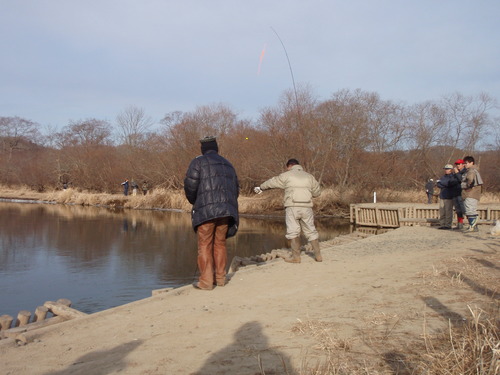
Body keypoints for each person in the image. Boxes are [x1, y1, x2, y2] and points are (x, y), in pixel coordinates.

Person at [184, 136, 239, 290]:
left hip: (205, 211)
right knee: (220, 244)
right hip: (226, 211)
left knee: (204, 245)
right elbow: (236, 189)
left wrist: (196, 201)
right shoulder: (228, 164)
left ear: (203, 149)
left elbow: (190, 186)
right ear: (216, 148)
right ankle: (220, 278)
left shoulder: (197, 162)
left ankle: (206, 282)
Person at [254, 159, 322, 263]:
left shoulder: (287, 175)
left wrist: (261, 188)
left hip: (292, 206)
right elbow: (317, 193)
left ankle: (296, 257)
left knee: (293, 232)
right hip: (307, 207)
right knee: (311, 231)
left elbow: (272, 182)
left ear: (289, 166)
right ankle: (318, 256)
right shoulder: (309, 177)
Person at [459, 156, 483, 232]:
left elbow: (470, 181)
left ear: (471, 163)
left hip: (470, 193)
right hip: (471, 193)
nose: (464, 164)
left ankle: (472, 226)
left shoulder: (471, 171)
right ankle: (473, 226)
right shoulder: (471, 170)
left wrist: (464, 185)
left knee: (470, 209)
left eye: (466, 163)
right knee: (470, 209)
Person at [436, 164, 460, 230]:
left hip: (449, 196)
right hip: (442, 196)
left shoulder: (453, 176)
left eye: (447, 169)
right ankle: (442, 224)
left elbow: (449, 183)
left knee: (448, 211)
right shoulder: (443, 177)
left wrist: (442, 183)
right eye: (445, 169)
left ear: (451, 169)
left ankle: (448, 225)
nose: (446, 170)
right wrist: (444, 183)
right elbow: (438, 184)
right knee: (442, 211)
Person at [452, 159, 466, 229]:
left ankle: (472, 224)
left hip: (461, 193)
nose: (457, 166)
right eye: (456, 164)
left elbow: (461, 180)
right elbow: (452, 181)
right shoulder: (455, 173)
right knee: (458, 210)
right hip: (455, 192)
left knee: (464, 209)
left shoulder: (465, 172)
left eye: (459, 164)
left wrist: (457, 173)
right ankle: (460, 224)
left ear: (463, 164)